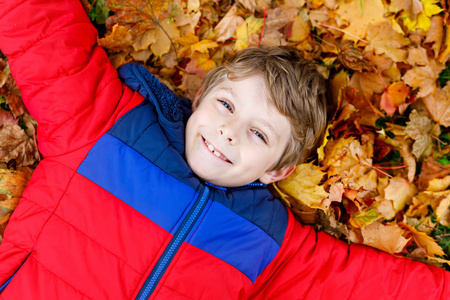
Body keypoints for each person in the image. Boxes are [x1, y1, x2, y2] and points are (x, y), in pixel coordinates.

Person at [0, 0, 448, 299]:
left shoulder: (274, 243)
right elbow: (46, 35)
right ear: (198, 100)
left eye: (259, 134)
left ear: (279, 171)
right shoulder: (106, 122)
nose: (229, 131)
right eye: (226, 105)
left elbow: (367, 286)